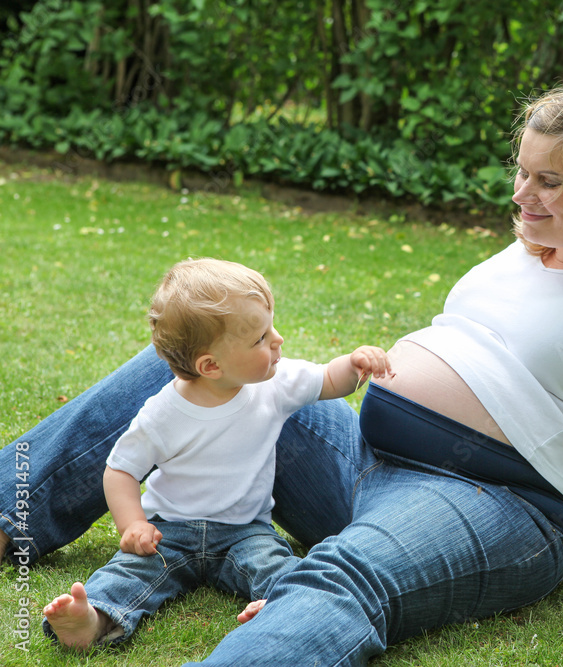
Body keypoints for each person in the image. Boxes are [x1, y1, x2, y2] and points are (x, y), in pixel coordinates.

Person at [0, 79, 563, 665]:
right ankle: (10, 511)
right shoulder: (525, 244)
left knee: (346, 575)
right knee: (186, 373)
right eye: (523, 170)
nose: (523, 194)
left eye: (550, 181)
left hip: (501, 503)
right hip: (362, 462)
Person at [39, 258, 392, 651]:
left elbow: (327, 379)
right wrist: (132, 525)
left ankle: (279, 608)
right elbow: (120, 470)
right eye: (260, 338)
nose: (277, 340)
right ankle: (92, 618)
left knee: (280, 568)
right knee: (130, 571)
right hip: (169, 530)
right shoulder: (162, 412)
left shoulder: (275, 384)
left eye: (270, 326)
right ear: (211, 365)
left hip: (246, 531)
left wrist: (354, 364)